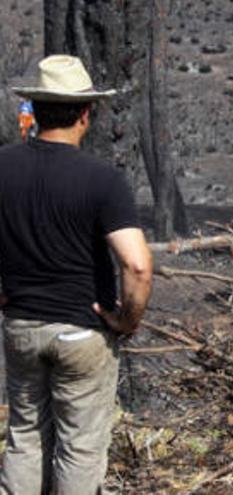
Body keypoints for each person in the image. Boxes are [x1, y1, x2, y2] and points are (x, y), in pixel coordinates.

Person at [1, 55, 152, 494]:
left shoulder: (3, 166)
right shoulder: (102, 180)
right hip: (83, 331)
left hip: (22, 325)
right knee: (80, 447)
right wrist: (127, 319)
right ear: (86, 113)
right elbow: (137, 265)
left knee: (25, 438)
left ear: (37, 108)